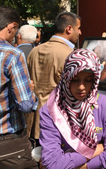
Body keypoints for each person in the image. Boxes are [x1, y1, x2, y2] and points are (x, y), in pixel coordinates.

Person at [39, 49, 106, 169]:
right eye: (75, 80)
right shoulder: (51, 110)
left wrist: (82, 167)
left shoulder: (105, 106)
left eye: (88, 80)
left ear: (95, 80)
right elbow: (53, 164)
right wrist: (95, 150)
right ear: (66, 77)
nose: (81, 87)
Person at [27, 12, 82, 143]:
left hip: (32, 120)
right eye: (78, 28)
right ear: (69, 29)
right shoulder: (70, 55)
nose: (80, 33)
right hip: (54, 122)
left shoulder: (35, 50)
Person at [0, 6, 38, 169]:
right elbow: (25, 104)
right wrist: (30, 91)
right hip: (8, 141)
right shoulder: (12, 54)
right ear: (12, 26)